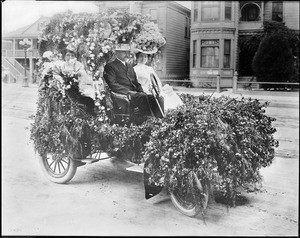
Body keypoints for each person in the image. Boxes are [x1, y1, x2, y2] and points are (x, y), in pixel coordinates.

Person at [103, 44, 163, 118]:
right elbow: (113, 85)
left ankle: (160, 120)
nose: (127, 54)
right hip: (123, 93)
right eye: (124, 52)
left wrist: (141, 91)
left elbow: (136, 83)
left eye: (128, 52)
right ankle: (148, 121)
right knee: (143, 96)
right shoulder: (110, 66)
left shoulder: (129, 66)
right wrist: (129, 92)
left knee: (156, 98)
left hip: (135, 94)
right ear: (117, 53)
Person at [61, 45, 96, 115]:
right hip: (68, 85)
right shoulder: (63, 65)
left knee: (88, 99)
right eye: (68, 55)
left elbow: (81, 73)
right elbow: (62, 73)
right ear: (64, 57)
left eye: (72, 55)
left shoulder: (79, 64)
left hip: (79, 84)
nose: (70, 57)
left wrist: (75, 74)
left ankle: (88, 112)